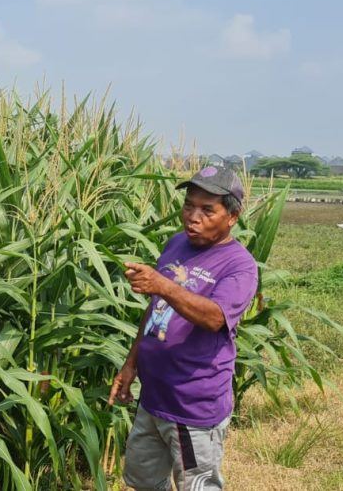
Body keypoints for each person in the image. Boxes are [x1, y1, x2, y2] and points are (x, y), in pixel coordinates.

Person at [108, 165, 258, 491]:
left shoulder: (239, 265)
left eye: (207, 210)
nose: (193, 217)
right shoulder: (176, 244)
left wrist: (163, 285)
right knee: (143, 481)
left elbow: (215, 318)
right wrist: (131, 364)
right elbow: (155, 309)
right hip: (153, 397)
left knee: (197, 486)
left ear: (232, 217)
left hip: (192, 405)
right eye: (188, 206)